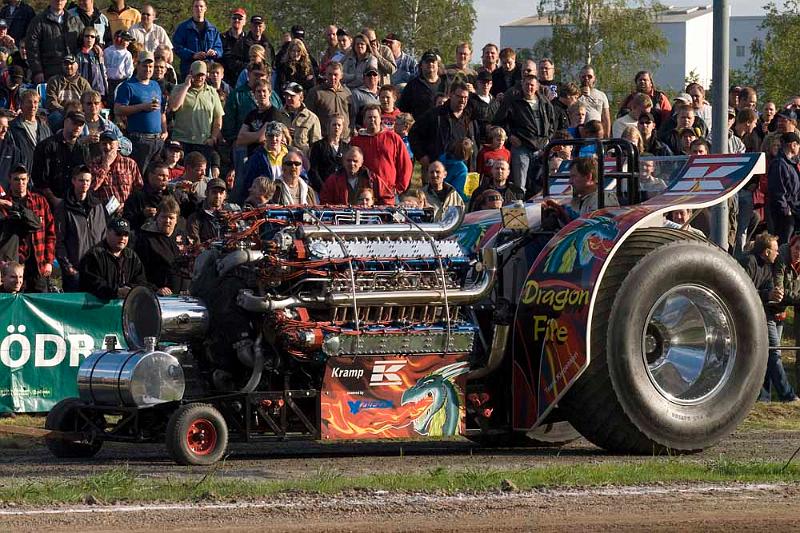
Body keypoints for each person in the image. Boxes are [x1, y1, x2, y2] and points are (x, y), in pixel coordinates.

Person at [740, 232, 799, 402]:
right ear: (766, 252)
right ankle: (787, 395)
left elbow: (769, 290)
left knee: (769, 353)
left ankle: (764, 396)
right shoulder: (750, 262)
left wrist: (776, 296)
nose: (778, 253)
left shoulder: (768, 266)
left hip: (766, 313)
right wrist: (768, 295)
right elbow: (743, 292)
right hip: (751, 315)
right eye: (775, 250)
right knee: (772, 352)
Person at [493, 74, 555, 195]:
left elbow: (552, 123)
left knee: (540, 185)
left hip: (541, 149)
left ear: (537, 86)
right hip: (521, 147)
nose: (529, 87)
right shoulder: (513, 101)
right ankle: (519, 211)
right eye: (526, 84)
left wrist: (548, 139)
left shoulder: (544, 102)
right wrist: (510, 136)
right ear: (522, 85)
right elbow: (499, 121)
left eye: (532, 85)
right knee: (520, 187)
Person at [54, 164, 106, 291]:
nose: (85, 184)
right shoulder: (63, 207)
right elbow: (58, 240)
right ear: (73, 181)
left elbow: (104, 235)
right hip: (74, 270)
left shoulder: (98, 206)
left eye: (87, 180)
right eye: (81, 180)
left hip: (96, 269)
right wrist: (68, 267)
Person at [114, 50, 167, 173]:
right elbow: (118, 109)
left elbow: (161, 111)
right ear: (137, 65)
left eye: (150, 66)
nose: (148, 69)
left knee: (155, 177)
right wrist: (142, 107)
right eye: (144, 66)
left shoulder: (155, 85)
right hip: (139, 139)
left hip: (157, 139)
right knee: (139, 175)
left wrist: (165, 130)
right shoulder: (128, 86)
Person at [169, 60, 224, 175]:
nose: (199, 78)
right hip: (182, 141)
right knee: (182, 175)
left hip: (203, 142)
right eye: (197, 74)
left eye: (202, 75)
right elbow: (174, 107)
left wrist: (213, 137)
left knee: (201, 176)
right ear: (190, 74)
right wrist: (186, 86)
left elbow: (218, 118)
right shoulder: (178, 88)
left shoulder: (212, 92)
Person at [409, 81, 478, 171]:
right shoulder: (435, 115)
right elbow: (414, 134)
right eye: (459, 96)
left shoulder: (469, 118)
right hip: (439, 169)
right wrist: (422, 156)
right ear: (451, 95)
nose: (462, 100)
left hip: (463, 170)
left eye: (465, 97)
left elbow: (475, 143)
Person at [7, 165, 55, 292]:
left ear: (28, 179)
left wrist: (49, 261)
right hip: (14, 264)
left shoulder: (40, 201)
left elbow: (51, 233)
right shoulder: (5, 203)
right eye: (16, 179)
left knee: (40, 304)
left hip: (38, 263)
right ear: (9, 180)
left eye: (23, 179)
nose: (20, 183)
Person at [350, 104, 412, 202]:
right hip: (364, 196)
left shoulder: (393, 138)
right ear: (364, 120)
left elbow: (405, 164)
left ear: (380, 119)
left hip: (388, 193)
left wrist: (399, 188)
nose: (372, 120)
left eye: (375, 117)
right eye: (369, 117)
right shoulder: (356, 142)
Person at [79, 217, 148, 299]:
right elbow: (92, 283)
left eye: (126, 235)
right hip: (98, 307)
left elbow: (141, 281)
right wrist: (117, 291)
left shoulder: (132, 256)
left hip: (127, 306)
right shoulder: (94, 255)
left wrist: (130, 289)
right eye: (118, 233)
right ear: (108, 233)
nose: (122, 238)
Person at [135, 197, 190, 295]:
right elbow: (139, 274)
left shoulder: (183, 236)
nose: (167, 221)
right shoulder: (146, 239)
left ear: (176, 220)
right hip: (159, 297)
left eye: (171, 218)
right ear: (157, 218)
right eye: (163, 217)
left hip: (184, 296)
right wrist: (155, 289)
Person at [30, 110, 87, 205]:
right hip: (48, 204)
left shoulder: (83, 150)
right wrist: (55, 201)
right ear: (65, 122)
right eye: (74, 123)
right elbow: (39, 180)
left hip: (74, 203)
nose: (77, 127)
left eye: (80, 124)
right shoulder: (46, 146)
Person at [543, 157, 619, 224]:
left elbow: (592, 230)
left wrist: (560, 210)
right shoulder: (583, 199)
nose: (570, 181)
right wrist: (558, 210)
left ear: (588, 177)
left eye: (574, 176)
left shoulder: (603, 200)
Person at [25, 0, 82, 83]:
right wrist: (37, 71)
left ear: (66, 1)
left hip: (72, 73)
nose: (59, 1)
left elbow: (85, 37)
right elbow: (32, 48)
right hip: (49, 74)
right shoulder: (38, 21)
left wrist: (96, 43)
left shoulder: (74, 20)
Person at [123, 160, 190, 231]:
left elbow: (183, 215)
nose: (165, 179)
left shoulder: (171, 195)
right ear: (150, 175)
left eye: (167, 176)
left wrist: (190, 194)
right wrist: (142, 215)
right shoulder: (137, 197)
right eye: (161, 176)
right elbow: (127, 222)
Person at [234, 79, 290, 159]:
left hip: (269, 158)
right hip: (252, 157)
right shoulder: (251, 114)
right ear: (254, 94)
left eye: (264, 91)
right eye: (258, 91)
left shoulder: (274, 113)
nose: (261, 94)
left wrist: (251, 135)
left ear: (270, 93)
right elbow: (240, 138)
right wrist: (257, 135)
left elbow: (262, 137)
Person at [88, 130, 143, 208]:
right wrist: (105, 166)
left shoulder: (130, 163)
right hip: (103, 212)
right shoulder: (93, 164)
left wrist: (128, 204)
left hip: (127, 211)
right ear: (99, 146)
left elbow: (139, 188)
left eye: (110, 143)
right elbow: (91, 188)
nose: (107, 147)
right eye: (104, 144)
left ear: (117, 145)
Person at [320, 146, 387, 205]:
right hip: (342, 218)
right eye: (349, 160)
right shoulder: (333, 180)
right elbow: (325, 202)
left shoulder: (372, 179)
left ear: (361, 162)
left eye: (355, 161)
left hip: (368, 218)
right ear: (343, 161)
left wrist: (380, 215)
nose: (352, 164)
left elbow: (387, 199)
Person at [172, 0, 222, 79]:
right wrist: (193, 55)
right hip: (190, 70)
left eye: (201, 6)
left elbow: (219, 48)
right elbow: (177, 47)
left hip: (209, 71)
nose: (199, 9)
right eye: (196, 6)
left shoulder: (212, 29)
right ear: (192, 8)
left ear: (205, 8)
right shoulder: (183, 28)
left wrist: (214, 52)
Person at [767, 131, 800, 244]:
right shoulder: (780, 164)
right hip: (784, 216)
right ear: (793, 145)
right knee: (784, 244)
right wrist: (786, 211)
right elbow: (777, 191)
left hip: (794, 211)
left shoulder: (791, 163)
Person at [306, 61, 352, 141]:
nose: (333, 77)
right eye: (330, 74)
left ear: (341, 75)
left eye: (335, 74)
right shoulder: (316, 92)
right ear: (325, 75)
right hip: (324, 138)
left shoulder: (347, 92)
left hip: (344, 139)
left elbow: (352, 114)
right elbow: (308, 115)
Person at [45, 54, 92, 130]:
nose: (69, 66)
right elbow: (51, 102)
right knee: (55, 117)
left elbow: (89, 101)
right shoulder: (54, 81)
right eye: (66, 64)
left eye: (71, 64)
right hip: (60, 113)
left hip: (79, 113)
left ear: (77, 65)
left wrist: (77, 112)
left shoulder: (83, 83)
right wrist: (66, 111)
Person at [397, 50, 446, 120]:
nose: (430, 64)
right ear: (421, 65)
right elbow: (403, 110)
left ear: (438, 65)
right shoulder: (412, 85)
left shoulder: (446, 84)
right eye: (427, 62)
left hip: (442, 127)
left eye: (433, 62)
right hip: (419, 127)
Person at [79, 90, 131, 156]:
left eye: (96, 103)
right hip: (83, 162)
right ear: (82, 105)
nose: (93, 106)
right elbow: (67, 144)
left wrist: (111, 141)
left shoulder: (109, 125)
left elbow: (128, 147)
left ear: (100, 105)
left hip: (105, 162)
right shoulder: (77, 123)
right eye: (89, 103)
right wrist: (83, 141)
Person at [10, 89, 51, 171]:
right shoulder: (13, 127)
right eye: (29, 102)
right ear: (21, 104)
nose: (33, 105)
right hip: (22, 174)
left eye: (35, 102)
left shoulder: (44, 126)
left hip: (42, 174)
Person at [308, 113, 349, 192]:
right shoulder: (318, 146)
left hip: (342, 189)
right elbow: (313, 170)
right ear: (329, 126)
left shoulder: (347, 148)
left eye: (339, 125)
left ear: (342, 127)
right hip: (323, 188)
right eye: (334, 125)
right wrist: (323, 188)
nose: (336, 127)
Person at [283, 82, 321, 155]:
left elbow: (316, 146)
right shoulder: (278, 115)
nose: (288, 98)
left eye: (292, 95)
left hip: (302, 161)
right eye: (286, 95)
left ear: (301, 97)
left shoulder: (311, 118)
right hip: (281, 160)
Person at [232, 15, 275, 79]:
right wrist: (249, 66)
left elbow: (272, 64)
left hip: (265, 77)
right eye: (255, 26)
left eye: (260, 26)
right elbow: (234, 62)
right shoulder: (241, 43)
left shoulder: (268, 46)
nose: (257, 28)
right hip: (246, 77)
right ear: (250, 27)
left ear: (264, 27)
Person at [577, 65, 610, 138]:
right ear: (579, 77)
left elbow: (606, 118)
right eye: (583, 76)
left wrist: (607, 137)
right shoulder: (574, 95)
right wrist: (579, 95)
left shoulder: (602, 95)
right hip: (579, 134)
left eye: (589, 76)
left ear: (594, 78)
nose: (586, 79)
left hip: (597, 133)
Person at [75, 27, 107, 96]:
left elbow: (103, 72)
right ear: (82, 38)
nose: (89, 39)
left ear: (96, 39)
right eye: (87, 36)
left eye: (92, 36)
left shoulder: (98, 53)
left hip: (98, 89)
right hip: (83, 89)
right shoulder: (78, 54)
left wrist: (105, 86)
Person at [349, 59, 380, 127]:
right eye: (369, 75)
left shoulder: (383, 93)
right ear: (363, 78)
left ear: (379, 78)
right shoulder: (356, 94)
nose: (372, 77)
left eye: (374, 75)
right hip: (363, 130)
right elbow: (353, 115)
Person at [219, 8, 246, 85]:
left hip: (243, 80)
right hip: (224, 80)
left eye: (240, 18)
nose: (237, 20)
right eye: (234, 18)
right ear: (230, 20)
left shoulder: (248, 40)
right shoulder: (221, 38)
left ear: (244, 22)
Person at [0, 115, 21, 190]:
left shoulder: (13, 150)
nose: (5, 130)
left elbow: (15, 175)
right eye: (1, 126)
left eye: (6, 127)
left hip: (6, 196)